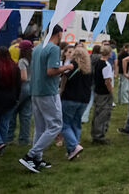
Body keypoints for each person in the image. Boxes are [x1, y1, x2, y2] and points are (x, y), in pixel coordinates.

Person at [19, 25, 75, 173]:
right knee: (55, 125)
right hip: (48, 91)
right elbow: (51, 71)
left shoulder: (38, 47)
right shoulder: (54, 48)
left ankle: (37, 158)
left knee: (40, 127)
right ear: (59, 33)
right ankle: (31, 155)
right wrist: (67, 67)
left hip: (35, 90)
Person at [60, 47, 92, 159]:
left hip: (70, 98)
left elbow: (63, 78)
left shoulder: (72, 66)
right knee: (76, 123)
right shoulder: (88, 68)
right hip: (84, 100)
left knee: (64, 124)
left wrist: (61, 92)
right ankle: (73, 149)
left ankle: (73, 146)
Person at [0, 46, 21, 157]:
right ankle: (0, 149)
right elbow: (18, 85)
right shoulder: (15, 67)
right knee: (4, 123)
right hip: (11, 99)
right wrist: (17, 98)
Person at [6, 40, 33, 145]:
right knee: (26, 114)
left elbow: (24, 77)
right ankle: (24, 139)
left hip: (23, 88)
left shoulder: (22, 61)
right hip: (32, 87)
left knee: (12, 111)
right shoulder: (34, 60)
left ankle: (9, 137)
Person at [91, 45, 114, 145]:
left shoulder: (97, 63)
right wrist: (111, 91)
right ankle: (99, 135)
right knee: (103, 114)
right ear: (109, 53)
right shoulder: (106, 65)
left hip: (97, 91)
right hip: (104, 92)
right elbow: (107, 81)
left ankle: (95, 133)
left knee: (97, 113)